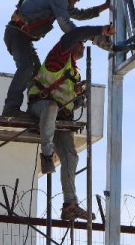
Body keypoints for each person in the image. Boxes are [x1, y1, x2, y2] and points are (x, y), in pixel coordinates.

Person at [27, 24, 114, 221]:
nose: (83, 46)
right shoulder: (58, 58)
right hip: (39, 108)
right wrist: (98, 32)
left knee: (71, 157)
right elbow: (73, 34)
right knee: (50, 107)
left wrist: (79, 100)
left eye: (83, 43)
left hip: (60, 119)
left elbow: (67, 101)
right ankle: (47, 155)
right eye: (80, 43)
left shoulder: (74, 72)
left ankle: (70, 204)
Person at [2, 0, 109, 118]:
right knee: (26, 68)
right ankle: (10, 109)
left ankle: (34, 110)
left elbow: (80, 14)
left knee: (37, 76)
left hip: (23, 37)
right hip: (17, 34)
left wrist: (106, 6)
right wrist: (96, 37)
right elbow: (66, 26)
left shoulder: (61, 2)